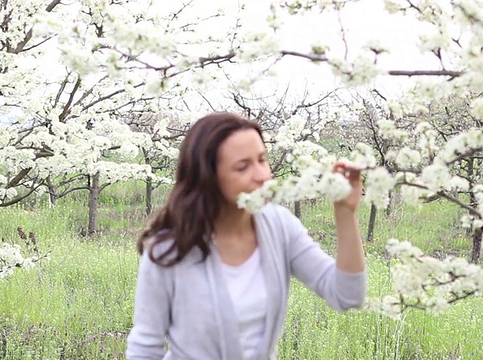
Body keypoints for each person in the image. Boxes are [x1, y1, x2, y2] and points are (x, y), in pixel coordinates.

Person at [125, 112, 367, 360]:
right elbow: (145, 347)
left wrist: (346, 215)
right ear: (208, 177)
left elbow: (347, 295)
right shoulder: (170, 249)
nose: (262, 175)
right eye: (243, 166)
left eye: (262, 159)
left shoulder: (280, 227)